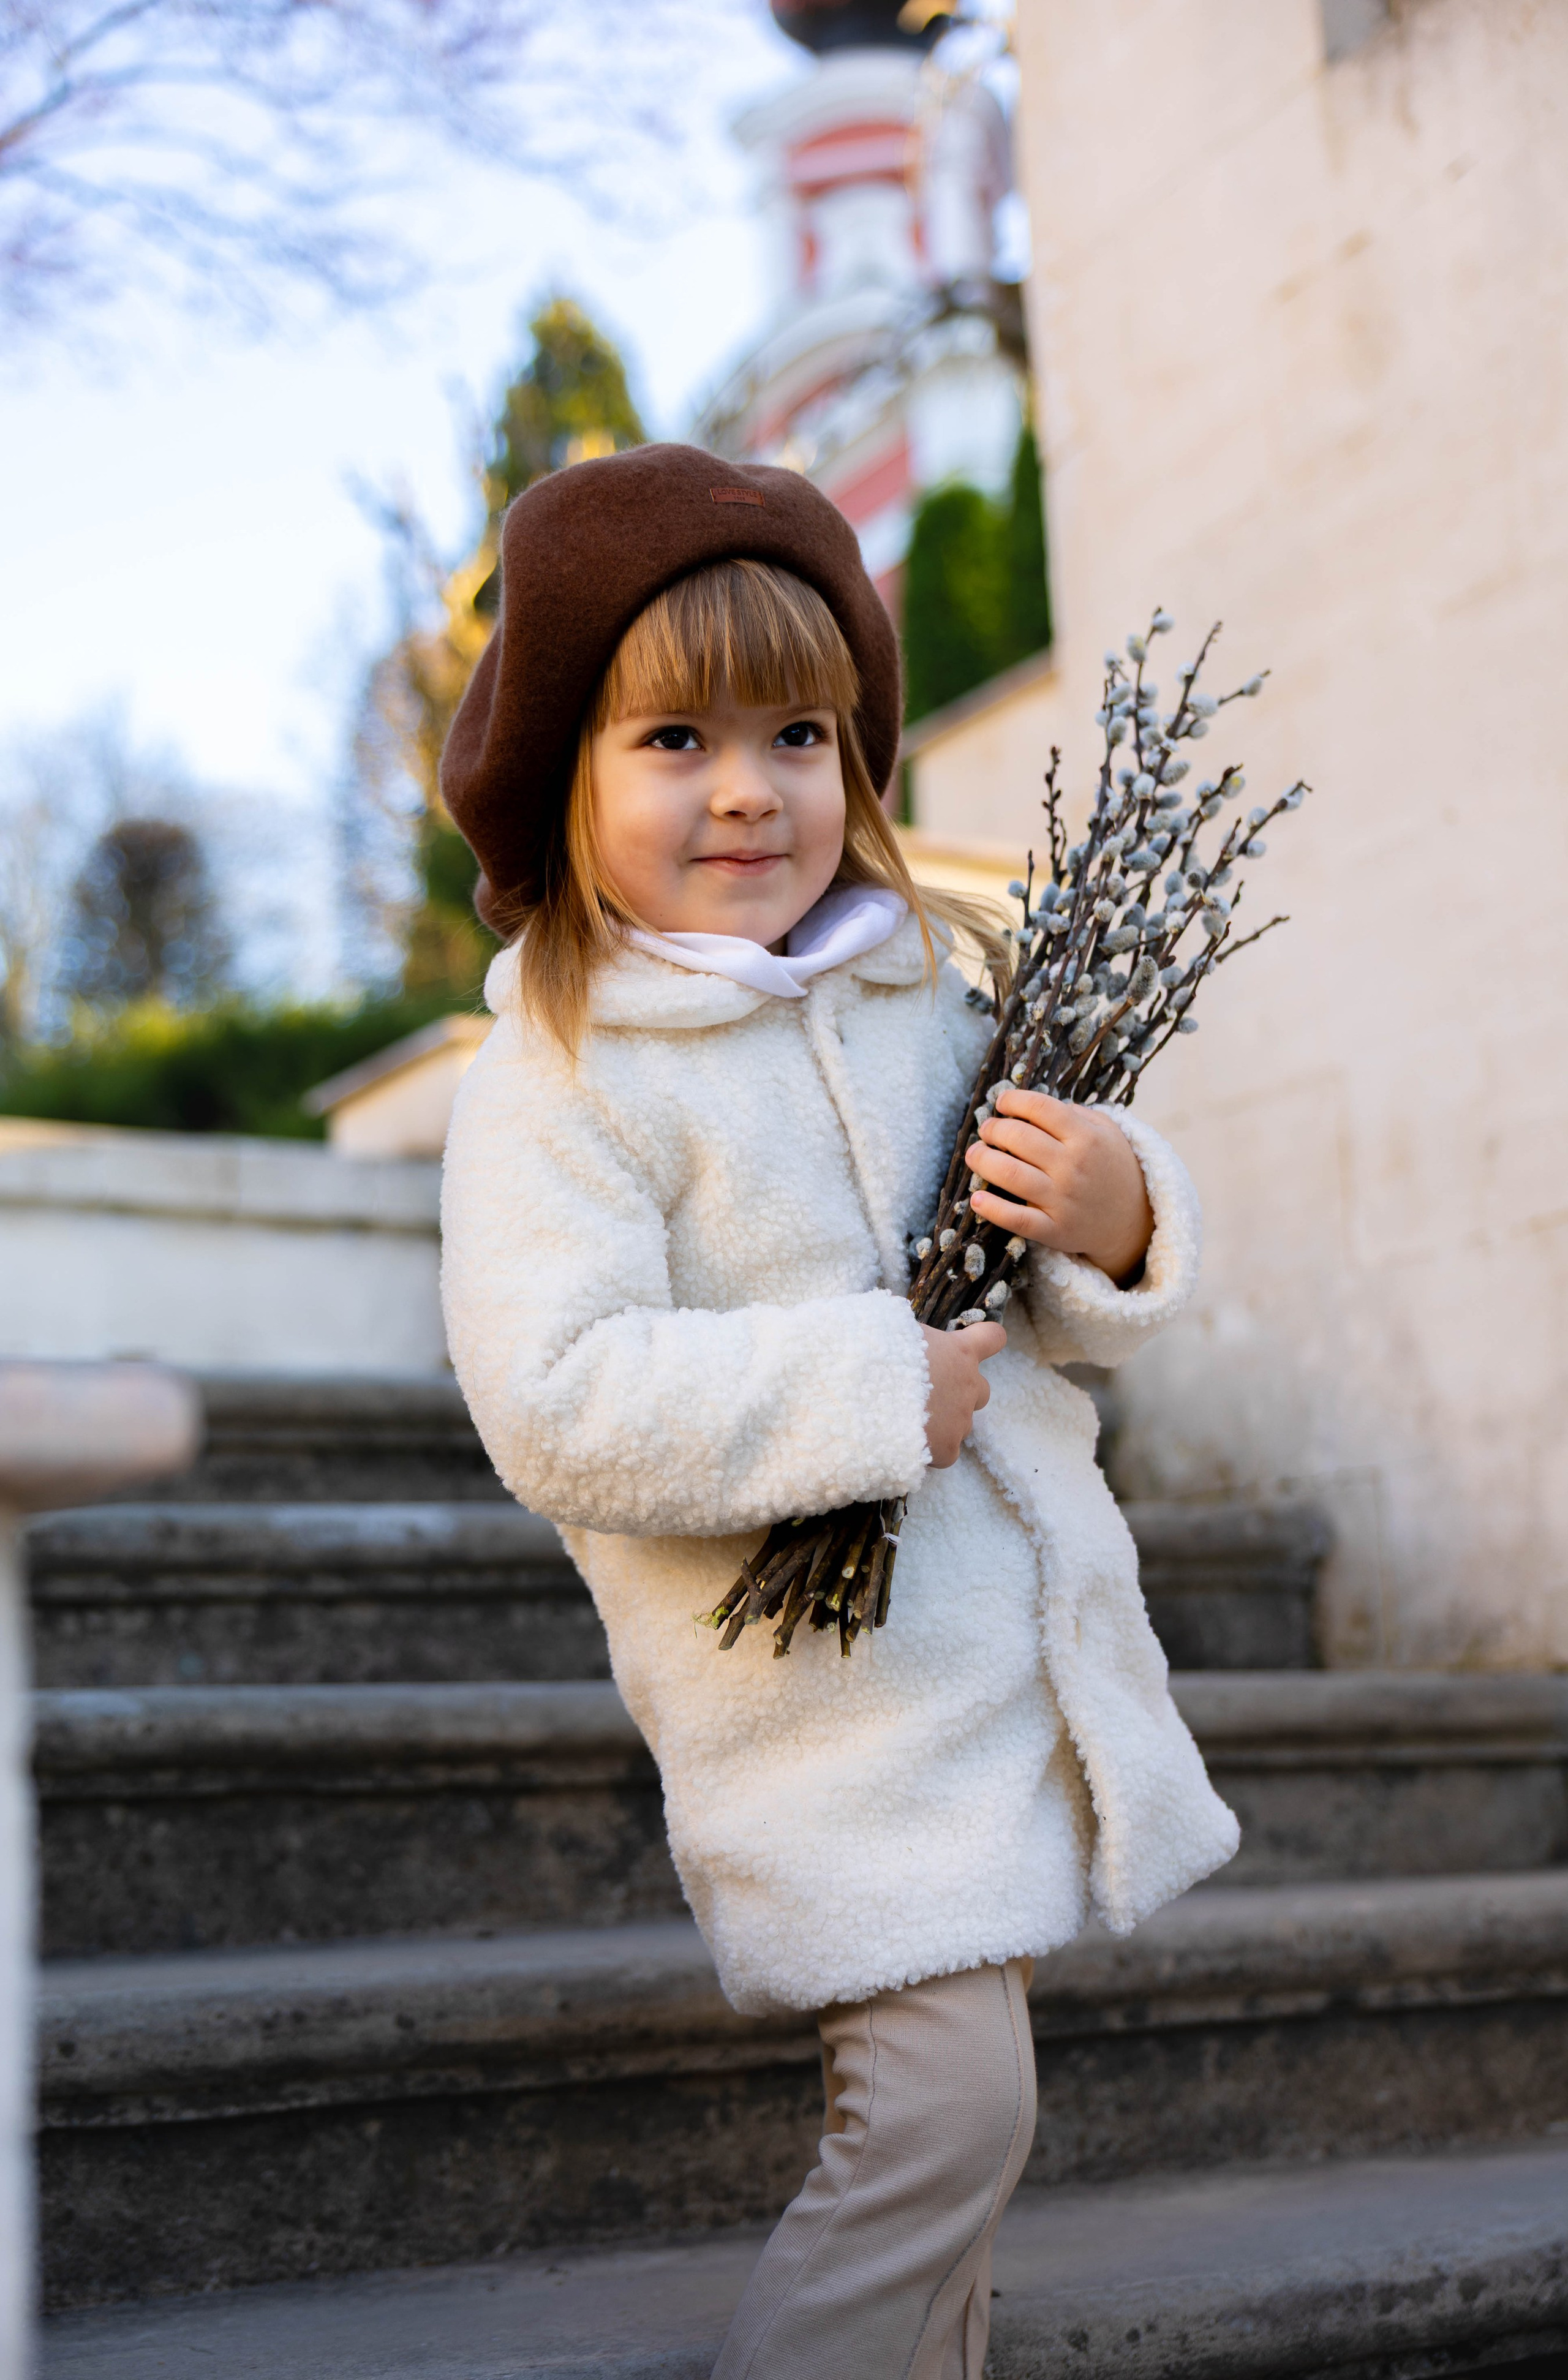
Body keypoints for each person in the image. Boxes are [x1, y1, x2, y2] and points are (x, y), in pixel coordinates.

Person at [439, 443, 1238, 2380]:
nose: (747, 788)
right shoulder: (563, 1073)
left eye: (800, 732)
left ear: (861, 765)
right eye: (676, 741)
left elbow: (1049, 1292)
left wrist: (1113, 1212)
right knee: (942, 2126)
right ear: (570, 771)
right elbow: (558, 1398)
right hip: (826, 1708)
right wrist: (875, 1387)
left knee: (963, 2166)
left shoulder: (938, 1002)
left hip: (1009, 1663)